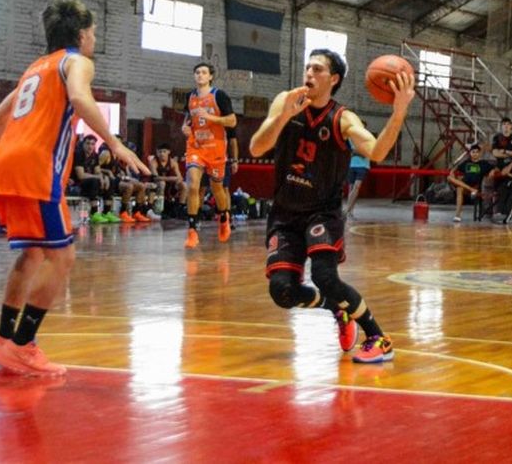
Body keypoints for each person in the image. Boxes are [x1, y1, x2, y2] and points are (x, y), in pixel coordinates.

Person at [0, 0, 149, 375]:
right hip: (36, 170)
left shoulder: (36, 68)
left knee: (35, 254)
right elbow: (78, 97)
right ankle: (24, 345)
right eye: (93, 32)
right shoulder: (77, 62)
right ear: (82, 34)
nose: (94, 39)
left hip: (3, 164)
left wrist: (13, 155)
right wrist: (116, 143)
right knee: (64, 256)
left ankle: (3, 339)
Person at [249, 48, 414, 364]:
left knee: (326, 277)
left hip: (321, 212)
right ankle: (337, 307)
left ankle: (379, 338)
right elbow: (257, 147)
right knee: (282, 292)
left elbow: (377, 152)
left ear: (333, 79)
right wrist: (284, 116)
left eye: (317, 69)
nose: (309, 73)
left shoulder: (343, 119)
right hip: (284, 213)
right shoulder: (286, 101)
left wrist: (399, 112)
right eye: (307, 67)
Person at [182, 62, 236, 248]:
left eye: (204, 72)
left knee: (217, 188)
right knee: (192, 184)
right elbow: (187, 120)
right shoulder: (190, 97)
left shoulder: (219, 95)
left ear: (210, 76)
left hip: (216, 148)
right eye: (197, 72)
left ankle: (224, 217)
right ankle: (192, 230)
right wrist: (185, 127)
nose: (200, 75)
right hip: (196, 146)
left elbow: (232, 120)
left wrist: (211, 117)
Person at [447, 143, 494, 223]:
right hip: (466, 186)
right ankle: (457, 215)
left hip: (476, 187)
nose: (475, 154)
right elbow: (455, 168)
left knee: (459, 188)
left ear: (479, 153)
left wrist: (493, 171)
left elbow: (495, 168)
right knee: (450, 179)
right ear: (470, 153)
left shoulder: (483, 163)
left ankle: (458, 214)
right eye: (473, 152)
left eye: (476, 152)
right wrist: (452, 171)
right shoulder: (466, 162)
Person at [149, 143, 186, 217]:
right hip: (156, 184)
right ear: (157, 152)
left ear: (169, 152)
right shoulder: (153, 162)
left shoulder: (173, 162)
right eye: (160, 152)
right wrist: (171, 178)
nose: (162, 154)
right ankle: (160, 208)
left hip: (170, 184)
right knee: (162, 183)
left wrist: (177, 181)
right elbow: (155, 177)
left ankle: (180, 208)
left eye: (164, 151)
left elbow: (179, 177)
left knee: (183, 185)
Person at [344, 150, 370, 220]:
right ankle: (350, 212)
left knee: (356, 187)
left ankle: (347, 210)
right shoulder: (350, 139)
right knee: (351, 188)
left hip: (363, 166)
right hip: (351, 165)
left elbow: (367, 153)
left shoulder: (368, 139)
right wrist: (357, 153)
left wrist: (355, 152)